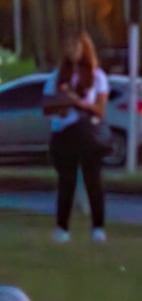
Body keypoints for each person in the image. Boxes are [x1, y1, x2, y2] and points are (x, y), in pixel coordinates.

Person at [42, 31, 110, 243]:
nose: (71, 51)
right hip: (65, 133)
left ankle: (98, 228)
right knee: (66, 182)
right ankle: (62, 228)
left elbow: (100, 110)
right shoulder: (56, 76)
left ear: (85, 48)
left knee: (93, 181)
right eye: (68, 46)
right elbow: (48, 108)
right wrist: (62, 101)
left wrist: (76, 101)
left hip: (87, 133)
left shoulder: (97, 76)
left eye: (76, 46)